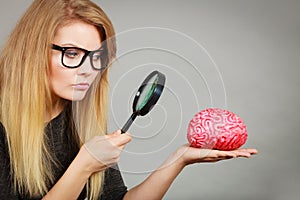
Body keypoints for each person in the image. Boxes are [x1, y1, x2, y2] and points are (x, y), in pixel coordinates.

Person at [0, 0, 258, 199]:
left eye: (97, 57)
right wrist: (83, 166)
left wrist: (179, 159)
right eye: (72, 53)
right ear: (31, 51)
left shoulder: (79, 119)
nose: (88, 69)